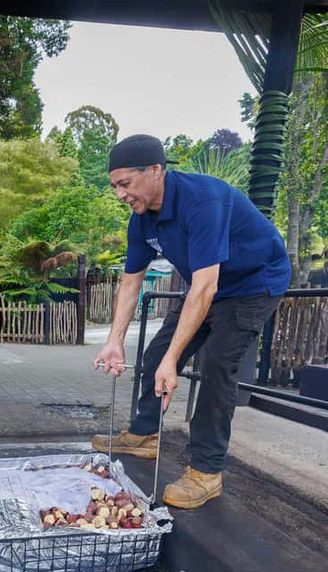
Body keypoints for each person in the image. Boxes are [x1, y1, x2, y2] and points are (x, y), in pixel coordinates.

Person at [92, 134, 290, 509]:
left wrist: (175, 362)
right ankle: (146, 434)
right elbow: (131, 282)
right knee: (155, 355)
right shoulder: (142, 219)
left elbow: (204, 288)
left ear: (154, 171)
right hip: (208, 286)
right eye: (115, 186)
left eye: (125, 184)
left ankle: (206, 470)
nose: (120, 194)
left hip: (254, 284)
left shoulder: (203, 200)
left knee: (217, 365)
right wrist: (115, 340)